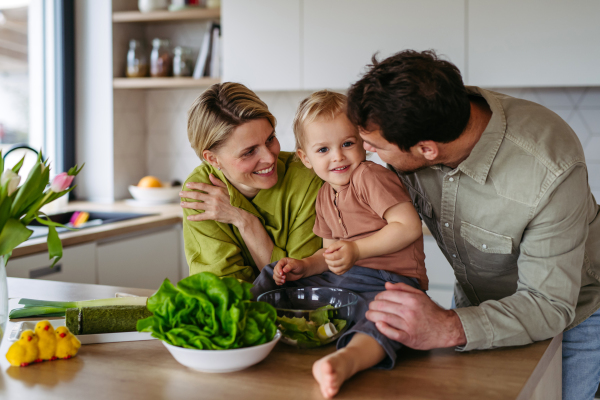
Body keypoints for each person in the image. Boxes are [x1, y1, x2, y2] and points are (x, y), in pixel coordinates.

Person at [345, 49, 600, 400]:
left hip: (572, 314)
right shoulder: (423, 121)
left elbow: (549, 303)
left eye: (376, 148)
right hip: (476, 304)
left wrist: (449, 326)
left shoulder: (549, 170)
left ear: (427, 150)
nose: (370, 155)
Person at [251, 90, 427, 398]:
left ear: (363, 143)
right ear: (305, 158)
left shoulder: (368, 176)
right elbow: (330, 253)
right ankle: (243, 321)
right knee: (273, 274)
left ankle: (345, 361)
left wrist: (357, 250)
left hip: (390, 280)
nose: (338, 156)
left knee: (385, 319)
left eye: (347, 143)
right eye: (323, 149)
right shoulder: (323, 195)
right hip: (346, 278)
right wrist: (305, 265)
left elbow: (409, 227)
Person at [180, 82, 322, 281]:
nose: (270, 158)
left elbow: (300, 285)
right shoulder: (201, 189)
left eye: (270, 139)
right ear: (212, 159)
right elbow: (223, 289)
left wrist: (244, 220)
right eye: (249, 152)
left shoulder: (306, 178)